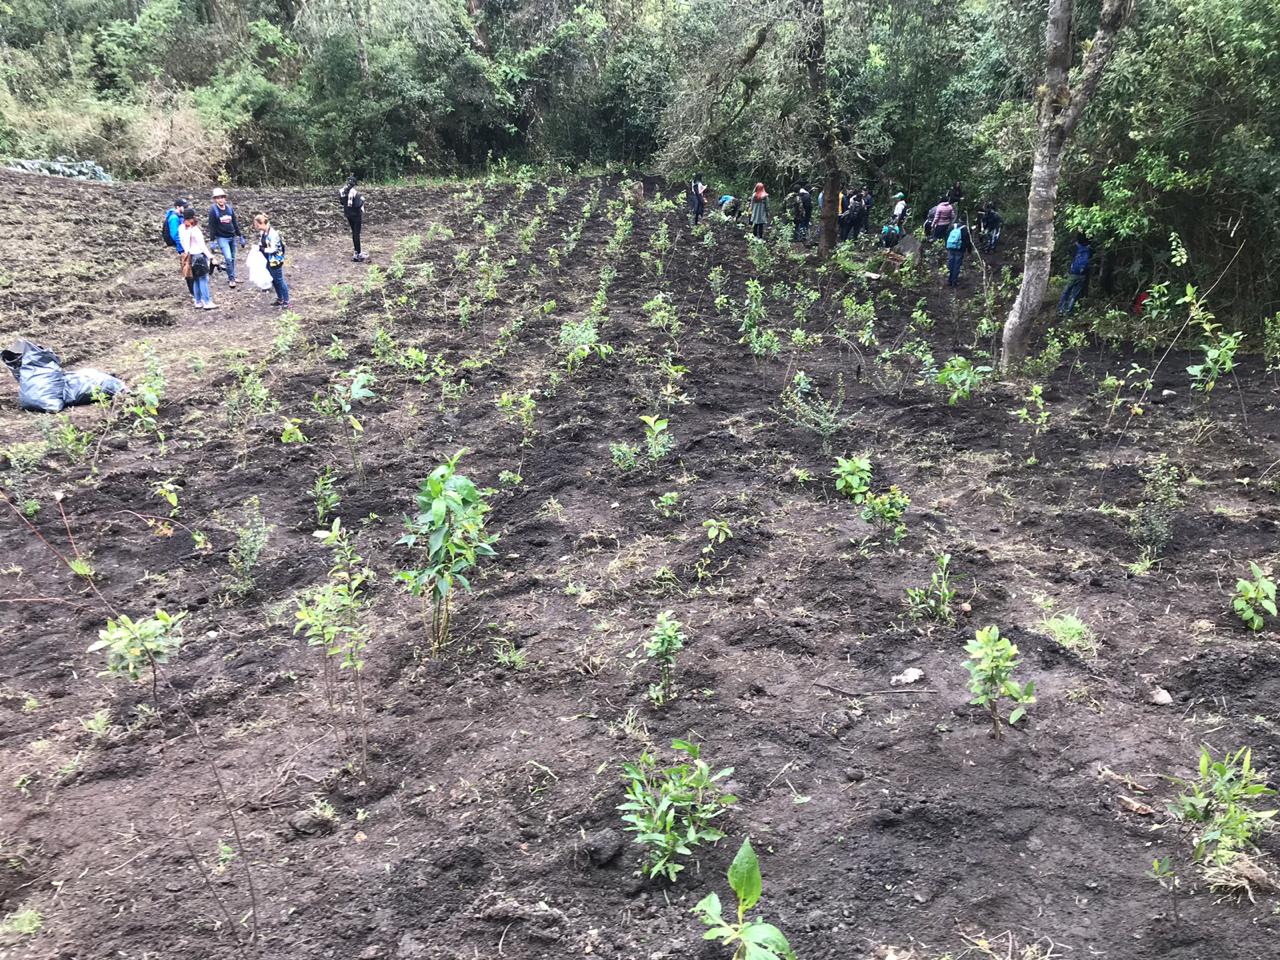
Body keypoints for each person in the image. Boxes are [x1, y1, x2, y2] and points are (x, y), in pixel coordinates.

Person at [207, 188, 246, 289]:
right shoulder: (213, 210)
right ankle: (231, 279)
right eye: (218, 198)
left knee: (232, 258)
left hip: (231, 236)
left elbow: (234, 222)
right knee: (228, 258)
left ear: (225, 198)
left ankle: (232, 275)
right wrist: (212, 240)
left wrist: (240, 235)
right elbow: (212, 226)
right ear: (215, 199)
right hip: (222, 237)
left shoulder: (229, 208)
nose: (220, 200)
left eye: (222, 197)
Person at [178, 208, 215, 310]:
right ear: (193, 217)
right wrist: (211, 256)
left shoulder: (181, 228)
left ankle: (198, 301)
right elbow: (202, 245)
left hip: (189, 256)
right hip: (198, 255)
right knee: (203, 279)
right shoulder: (195, 230)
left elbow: (182, 242)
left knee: (195, 279)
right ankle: (207, 302)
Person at [254, 213, 291, 308]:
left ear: (262, 223)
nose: (256, 227)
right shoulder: (263, 232)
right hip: (267, 259)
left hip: (275, 260)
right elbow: (261, 243)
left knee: (279, 280)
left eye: (257, 225)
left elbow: (273, 249)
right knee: (274, 280)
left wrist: (263, 249)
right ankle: (280, 299)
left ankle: (287, 301)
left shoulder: (273, 234)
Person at [1058, 234, 1092, 314]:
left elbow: (1073, 248)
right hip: (1082, 275)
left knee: (1066, 291)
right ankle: (1069, 310)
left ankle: (1061, 309)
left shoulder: (1077, 248)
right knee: (1075, 294)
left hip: (1073, 274)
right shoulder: (1088, 250)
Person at [340, 176, 367, 262]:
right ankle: (358, 253)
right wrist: (362, 200)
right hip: (356, 215)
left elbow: (342, 202)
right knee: (356, 234)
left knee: (354, 233)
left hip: (348, 214)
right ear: (354, 184)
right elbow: (358, 204)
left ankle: (357, 251)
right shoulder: (355, 193)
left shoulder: (342, 191)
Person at [944, 218, 970, 287]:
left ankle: (949, 280)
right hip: (960, 249)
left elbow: (946, 236)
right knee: (957, 265)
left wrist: (946, 246)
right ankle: (954, 282)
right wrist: (969, 250)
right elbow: (968, 241)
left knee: (950, 263)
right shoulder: (965, 229)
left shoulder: (952, 226)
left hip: (950, 248)